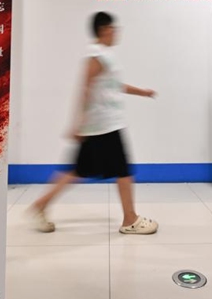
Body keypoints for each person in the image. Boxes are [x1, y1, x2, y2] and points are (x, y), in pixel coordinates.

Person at [30, 12, 158, 235]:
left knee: (78, 170)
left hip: (104, 125)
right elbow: (85, 89)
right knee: (123, 170)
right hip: (103, 125)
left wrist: (142, 92)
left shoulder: (105, 55)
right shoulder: (96, 56)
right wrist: (78, 124)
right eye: (113, 28)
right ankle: (130, 220)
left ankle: (40, 205)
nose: (116, 32)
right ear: (104, 29)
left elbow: (114, 85)